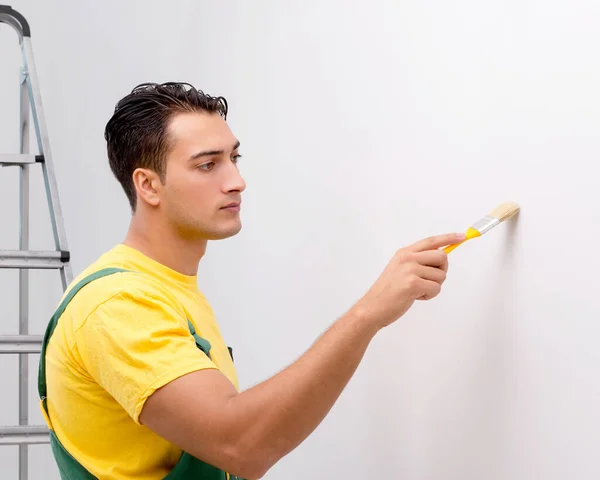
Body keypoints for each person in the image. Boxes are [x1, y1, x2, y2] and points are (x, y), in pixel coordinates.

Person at [38, 82, 466, 480]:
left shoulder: (165, 288)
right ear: (148, 185)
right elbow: (240, 444)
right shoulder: (119, 305)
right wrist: (368, 314)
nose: (236, 181)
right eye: (207, 165)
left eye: (234, 159)